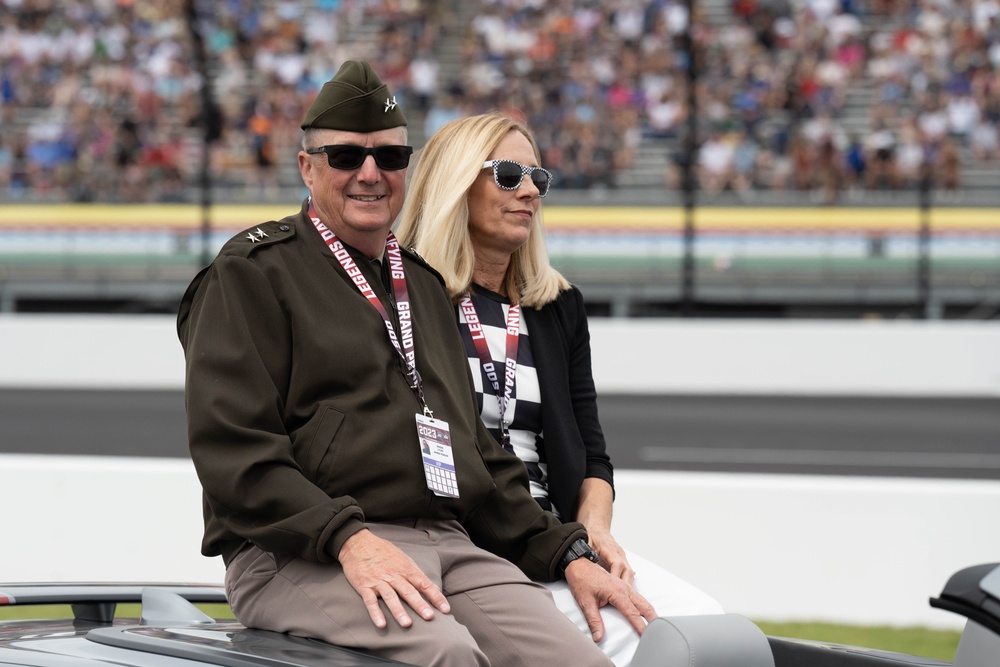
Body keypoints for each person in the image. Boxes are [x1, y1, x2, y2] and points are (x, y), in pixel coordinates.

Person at [176, 61, 655, 667]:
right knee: (446, 656)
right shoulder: (252, 272)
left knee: (582, 662)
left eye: (391, 158)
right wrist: (348, 539)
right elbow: (233, 450)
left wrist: (567, 555)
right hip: (300, 551)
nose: (370, 174)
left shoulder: (423, 285)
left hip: (446, 539)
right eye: (346, 158)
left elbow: (478, 454)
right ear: (307, 167)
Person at [395, 112, 724, 666]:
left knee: (710, 633)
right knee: (648, 649)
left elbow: (592, 453)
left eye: (537, 178)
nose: (528, 191)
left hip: (560, 543)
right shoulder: (407, 301)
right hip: (468, 547)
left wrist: (594, 532)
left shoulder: (557, 306)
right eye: (506, 175)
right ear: (453, 183)